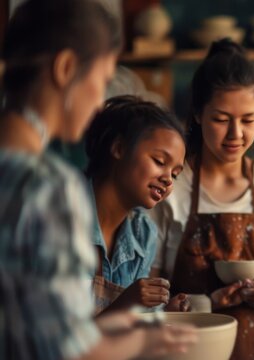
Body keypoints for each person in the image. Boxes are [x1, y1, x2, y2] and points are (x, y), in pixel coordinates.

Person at [0, 1, 196, 359]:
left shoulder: (140, 233)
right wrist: (143, 341)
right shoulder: (49, 188)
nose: (97, 104)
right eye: (102, 81)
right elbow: (62, 348)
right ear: (65, 68)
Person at [150, 39, 254, 359]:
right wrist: (202, 304)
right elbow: (147, 292)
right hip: (184, 349)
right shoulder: (170, 184)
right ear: (197, 113)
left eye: (248, 120)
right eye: (221, 120)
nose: (236, 134)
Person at [85, 95, 190, 314]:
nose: (168, 179)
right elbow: (50, 341)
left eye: (175, 174)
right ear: (119, 148)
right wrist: (124, 305)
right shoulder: (59, 213)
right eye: (160, 162)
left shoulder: (143, 234)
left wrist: (164, 314)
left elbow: (135, 325)